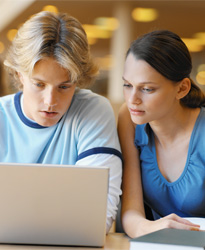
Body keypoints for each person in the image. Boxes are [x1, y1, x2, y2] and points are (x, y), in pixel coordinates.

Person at [2, 11, 122, 233]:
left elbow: (96, 217)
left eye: (64, 87)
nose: (50, 101)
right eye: (39, 84)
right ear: (19, 74)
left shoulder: (92, 111)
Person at [118, 29, 205, 238]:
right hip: (158, 243)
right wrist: (150, 228)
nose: (132, 100)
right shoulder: (128, 118)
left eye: (147, 89)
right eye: (127, 85)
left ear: (182, 88)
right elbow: (131, 212)